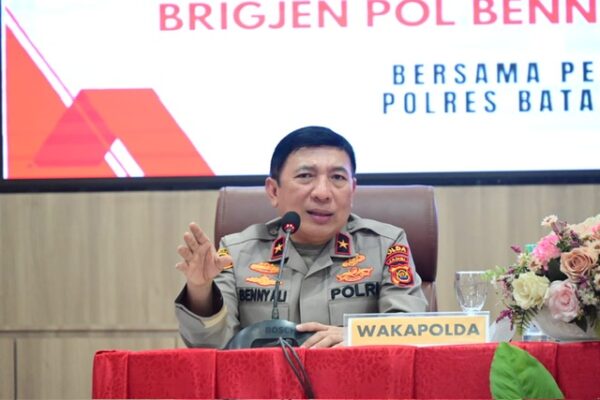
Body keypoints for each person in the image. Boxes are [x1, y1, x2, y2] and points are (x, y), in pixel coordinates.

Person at [174, 126, 428, 349]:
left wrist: (356, 336)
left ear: (352, 190)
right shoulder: (237, 252)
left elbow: (410, 328)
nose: (322, 193)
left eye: (337, 178)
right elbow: (212, 347)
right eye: (305, 176)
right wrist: (200, 290)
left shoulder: (386, 245)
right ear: (273, 191)